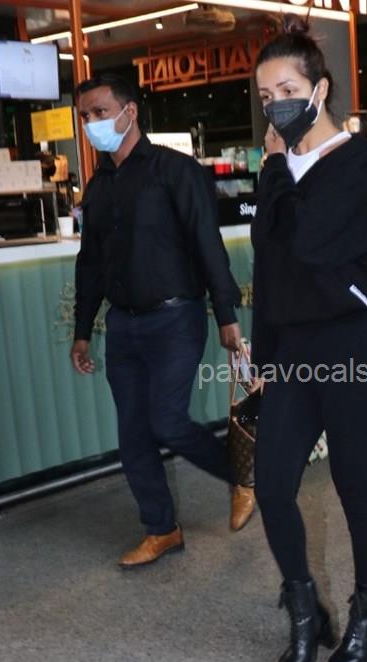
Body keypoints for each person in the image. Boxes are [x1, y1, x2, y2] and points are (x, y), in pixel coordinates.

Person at [251, 16, 367, 662]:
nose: (275, 104)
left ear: (320, 89)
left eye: (287, 90)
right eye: (265, 96)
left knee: (353, 485)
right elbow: (268, 265)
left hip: (354, 346)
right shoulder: (278, 167)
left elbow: (310, 244)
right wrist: (262, 360)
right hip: (292, 350)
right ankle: (306, 612)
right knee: (272, 485)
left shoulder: (353, 158)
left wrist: (275, 167)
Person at [70, 73, 244, 568]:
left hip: (175, 319)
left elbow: (207, 243)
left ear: (130, 112)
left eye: (100, 112)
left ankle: (244, 475)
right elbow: (91, 264)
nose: (92, 123)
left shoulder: (175, 170)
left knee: (167, 420)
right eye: (85, 116)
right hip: (123, 327)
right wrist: (83, 331)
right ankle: (161, 529)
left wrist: (226, 314)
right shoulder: (98, 187)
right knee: (133, 434)